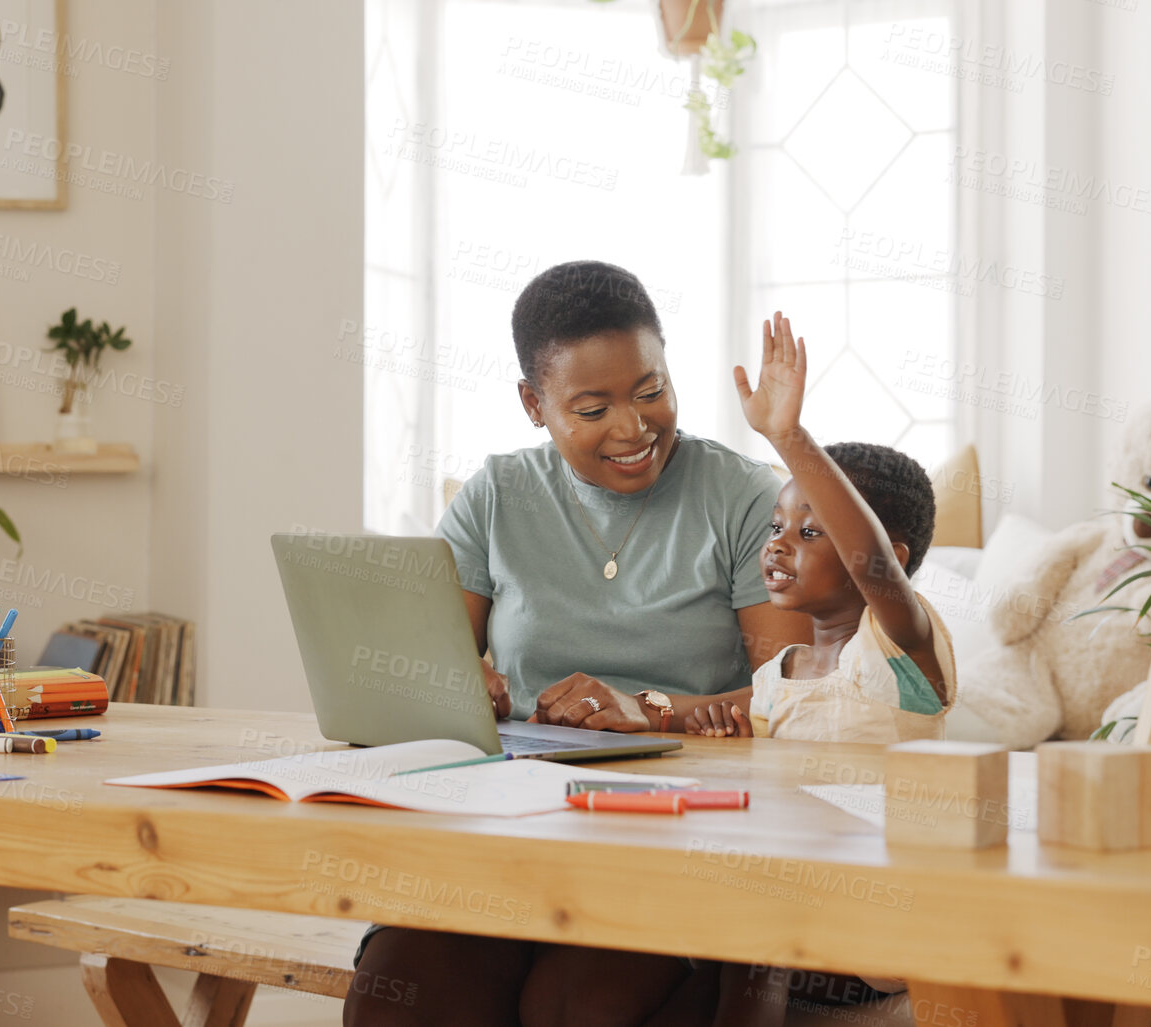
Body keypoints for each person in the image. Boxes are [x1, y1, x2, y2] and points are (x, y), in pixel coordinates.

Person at [343, 264, 812, 1027]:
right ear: (534, 403)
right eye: (592, 407)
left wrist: (651, 710)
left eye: (650, 390)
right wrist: (461, 687)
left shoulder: (743, 497)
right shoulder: (495, 495)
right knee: (401, 988)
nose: (632, 428)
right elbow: (426, 665)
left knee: (579, 1006)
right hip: (510, 822)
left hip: (674, 830)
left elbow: (794, 696)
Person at [677, 312, 954, 1027]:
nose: (777, 546)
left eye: (808, 531)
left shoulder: (901, 645)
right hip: (798, 909)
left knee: (756, 914)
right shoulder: (780, 673)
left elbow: (871, 563)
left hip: (883, 920)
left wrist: (787, 438)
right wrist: (659, 710)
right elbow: (697, 714)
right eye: (775, 527)